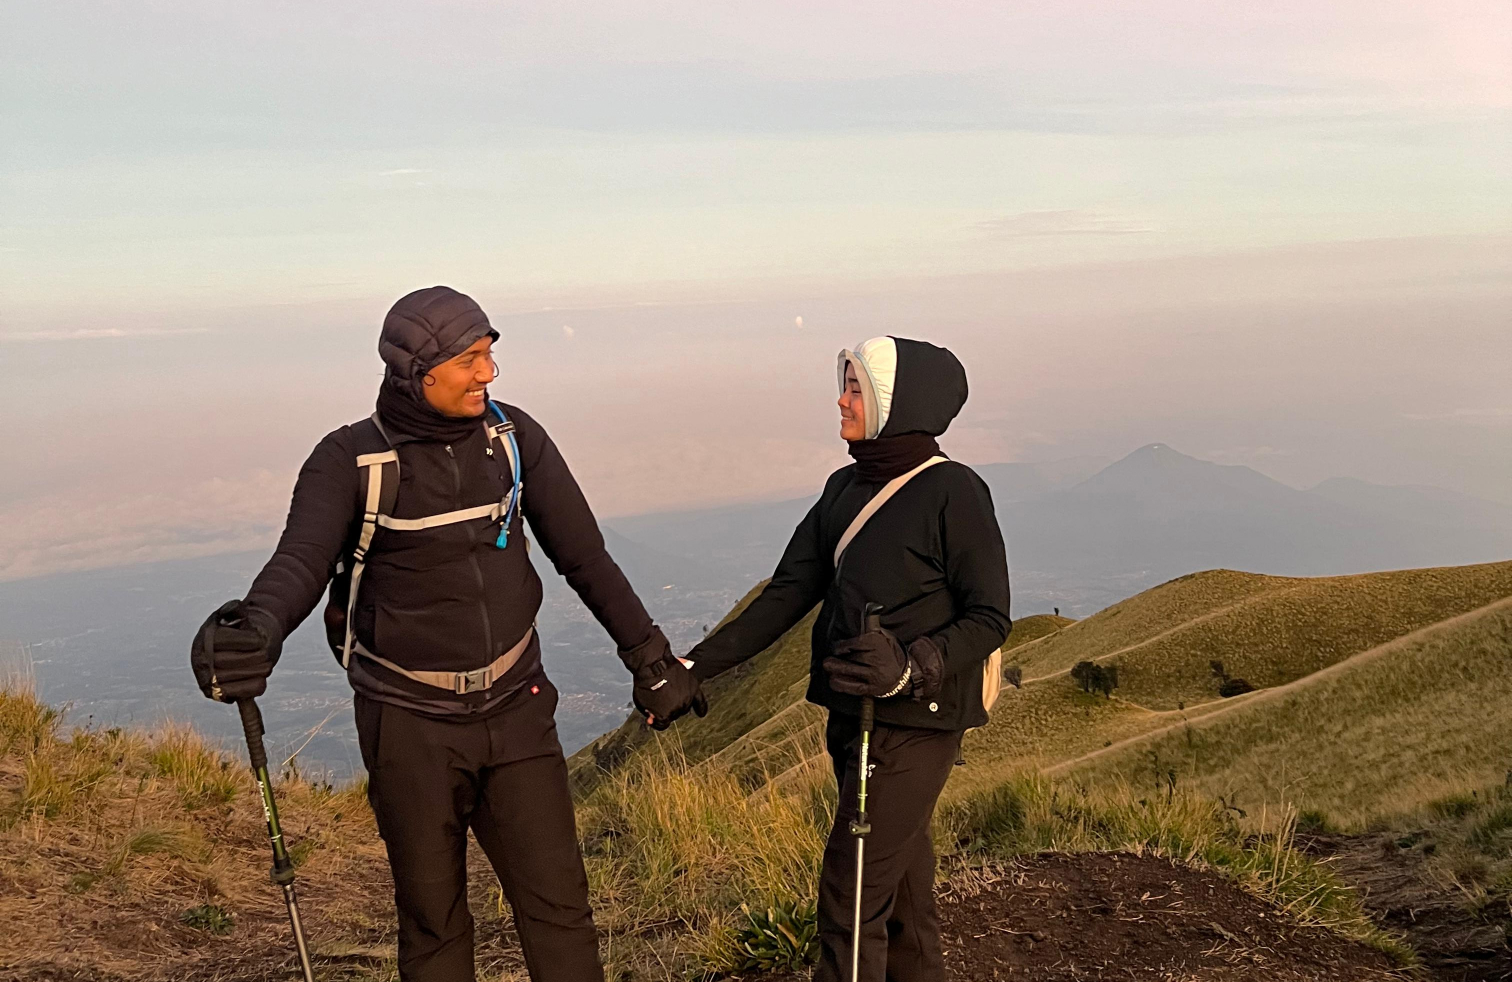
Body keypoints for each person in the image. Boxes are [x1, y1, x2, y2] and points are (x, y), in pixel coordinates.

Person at [189, 286, 706, 982]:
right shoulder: (351, 462)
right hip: (409, 723)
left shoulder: (514, 439)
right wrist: (256, 629)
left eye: (489, 354)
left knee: (560, 909)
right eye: (469, 359)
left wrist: (651, 658)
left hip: (517, 707)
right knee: (433, 923)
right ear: (416, 370)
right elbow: (301, 562)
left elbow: (583, 555)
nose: (488, 374)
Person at [685, 336, 1010, 982]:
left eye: (856, 387)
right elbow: (785, 595)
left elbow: (990, 616)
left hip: (915, 727)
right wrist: (692, 668)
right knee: (906, 907)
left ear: (897, 400)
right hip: (850, 723)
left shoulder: (954, 492)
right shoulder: (844, 489)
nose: (841, 399)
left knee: (849, 897)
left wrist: (915, 666)